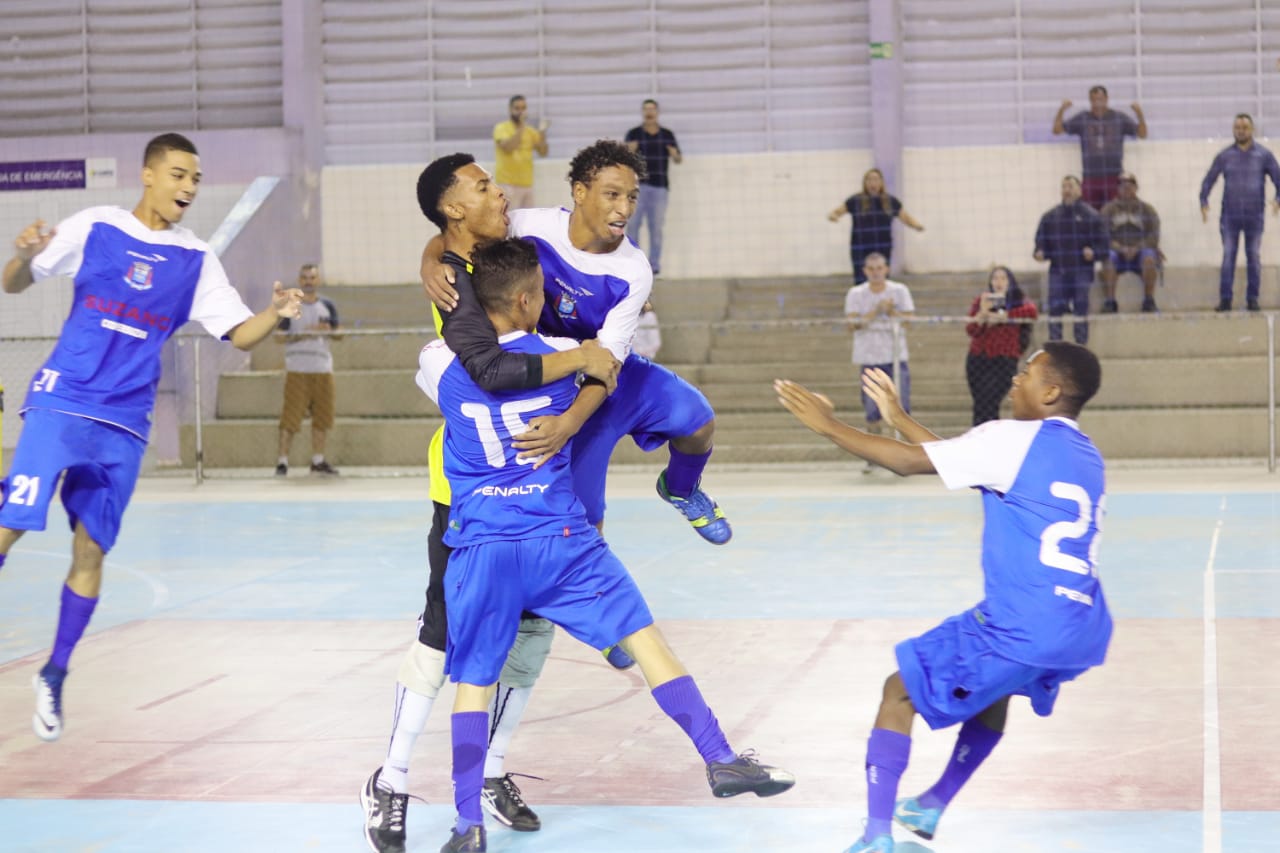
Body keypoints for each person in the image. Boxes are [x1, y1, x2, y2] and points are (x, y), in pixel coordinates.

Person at [422, 238, 794, 853]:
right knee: (648, 642)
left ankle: (468, 824)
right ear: (526, 300)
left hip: (484, 547)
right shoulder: (570, 356)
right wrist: (582, 375)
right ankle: (721, 757)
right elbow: (606, 373)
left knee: (473, 683)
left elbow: (471, 360)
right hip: (561, 541)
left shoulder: (440, 363)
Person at [0, 132, 303, 742]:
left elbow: (239, 334)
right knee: (12, 520)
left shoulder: (196, 259)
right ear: (148, 174)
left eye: (195, 178)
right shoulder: (97, 227)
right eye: (178, 174)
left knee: (91, 550)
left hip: (125, 422)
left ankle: (55, 673)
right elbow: (14, 283)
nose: (189, 186)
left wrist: (277, 313)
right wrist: (24, 254)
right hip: (64, 398)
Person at [361, 153, 622, 853]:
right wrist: (585, 355)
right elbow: (494, 370)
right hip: (471, 488)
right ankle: (390, 779)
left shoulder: (501, 252)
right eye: (481, 187)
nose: (498, 191)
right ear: (452, 212)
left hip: (539, 485)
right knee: (443, 633)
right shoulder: (453, 282)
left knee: (531, 632)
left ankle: (493, 770)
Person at [774, 340, 1110, 853]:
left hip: (1023, 624)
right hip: (1080, 625)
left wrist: (827, 425)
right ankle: (930, 805)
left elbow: (910, 464)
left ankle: (877, 836)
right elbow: (961, 461)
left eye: (1027, 373)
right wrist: (899, 416)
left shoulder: (1012, 439)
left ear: (1051, 391)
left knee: (897, 691)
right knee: (995, 688)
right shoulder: (1085, 454)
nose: (1017, 379)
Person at [422, 140, 732, 546]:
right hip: (555, 383)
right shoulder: (528, 227)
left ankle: (681, 488)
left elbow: (609, 363)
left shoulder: (634, 271)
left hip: (602, 376)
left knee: (699, 421)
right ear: (580, 192)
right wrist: (429, 261)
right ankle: (552, 600)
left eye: (632, 197)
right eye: (612, 195)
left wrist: (568, 425)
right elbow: (459, 235)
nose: (624, 208)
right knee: (584, 521)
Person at [1199, 113, 1280, 312]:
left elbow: (1279, 179)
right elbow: (1210, 178)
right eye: (1237, 127)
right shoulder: (1225, 156)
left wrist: (1277, 200)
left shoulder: (1264, 155)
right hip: (1230, 217)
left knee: (1253, 256)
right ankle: (1225, 299)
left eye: (1244, 127)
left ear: (1252, 130)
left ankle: (1252, 299)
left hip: (1255, 217)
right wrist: (1203, 199)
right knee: (1228, 256)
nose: (1240, 130)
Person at [275, 262, 341, 475]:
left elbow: (340, 333)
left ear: (318, 280)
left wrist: (328, 330)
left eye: (312, 277)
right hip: (298, 369)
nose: (309, 281)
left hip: (322, 368)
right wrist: (304, 334)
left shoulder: (328, 306)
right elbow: (278, 336)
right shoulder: (291, 306)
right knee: (290, 417)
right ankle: (283, 461)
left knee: (322, 417)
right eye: (304, 278)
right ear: (299, 280)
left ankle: (318, 460)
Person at [843, 253, 915, 443]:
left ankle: (904, 451)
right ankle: (875, 454)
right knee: (872, 409)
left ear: (886, 269)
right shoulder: (856, 293)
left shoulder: (899, 290)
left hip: (896, 357)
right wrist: (876, 310)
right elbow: (852, 324)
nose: (876, 273)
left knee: (902, 407)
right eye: (871, 269)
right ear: (865, 271)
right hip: (869, 359)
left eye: (879, 268)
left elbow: (909, 321)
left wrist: (891, 311)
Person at [1034, 176, 1108, 345]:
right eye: (1064, 186)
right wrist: (1040, 253)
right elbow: (1040, 243)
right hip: (1058, 270)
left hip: (1082, 270)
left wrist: (1094, 253)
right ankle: (1055, 345)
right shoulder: (1050, 217)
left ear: (1079, 190)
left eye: (1071, 186)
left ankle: (1081, 344)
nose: (1067, 190)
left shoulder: (1092, 216)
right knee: (1055, 306)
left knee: (1080, 304)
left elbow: (1104, 246)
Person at [1053, 85, 1147, 209]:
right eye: (1094, 100)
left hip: (1114, 175)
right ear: (1090, 101)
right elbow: (1057, 130)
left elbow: (1142, 134)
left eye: (1100, 99)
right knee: (1090, 215)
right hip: (1090, 176)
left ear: (1107, 99)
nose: (1098, 103)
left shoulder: (1118, 118)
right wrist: (1062, 110)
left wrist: (1139, 114)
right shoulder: (1083, 118)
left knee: (1113, 213)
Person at [964, 266, 1038, 425]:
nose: (999, 282)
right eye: (995, 278)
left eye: (1003, 278)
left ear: (1010, 281)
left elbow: (1031, 312)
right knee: (980, 403)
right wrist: (983, 313)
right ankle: (978, 439)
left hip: (1004, 360)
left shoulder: (1018, 301)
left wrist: (1004, 316)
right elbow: (971, 330)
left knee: (990, 401)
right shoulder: (982, 301)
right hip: (979, 358)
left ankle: (987, 438)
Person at [828, 168, 924, 285]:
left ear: (881, 182)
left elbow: (905, 217)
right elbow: (837, 211)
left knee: (881, 277)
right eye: (869, 180)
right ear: (865, 182)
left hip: (882, 245)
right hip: (860, 246)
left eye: (876, 179)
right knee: (861, 278)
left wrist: (916, 225)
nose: (873, 183)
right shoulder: (855, 200)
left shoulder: (890, 201)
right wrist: (833, 216)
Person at [624, 99, 682, 275]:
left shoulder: (667, 134)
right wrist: (629, 150)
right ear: (642, 112)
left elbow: (678, 159)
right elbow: (622, 159)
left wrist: (674, 154)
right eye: (646, 109)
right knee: (633, 225)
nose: (649, 112)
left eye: (652, 109)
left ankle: (654, 265)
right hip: (637, 188)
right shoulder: (633, 134)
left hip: (659, 188)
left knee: (656, 228)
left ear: (657, 112)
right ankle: (634, 263)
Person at [1099, 173, 1161, 313]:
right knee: (1108, 258)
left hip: (1140, 253)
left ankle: (1149, 300)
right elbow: (1102, 236)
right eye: (1123, 186)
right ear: (1118, 189)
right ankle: (1110, 302)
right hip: (1117, 253)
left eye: (1130, 186)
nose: (1126, 189)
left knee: (1150, 258)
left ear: (1136, 188)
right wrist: (1119, 248)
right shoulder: (1108, 210)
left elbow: (1154, 236)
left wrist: (1137, 248)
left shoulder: (1147, 210)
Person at [493, 95, 548, 210]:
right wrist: (522, 126)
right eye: (517, 108)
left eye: (523, 108)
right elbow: (508, 147)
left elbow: (543, 152)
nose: (520, 111)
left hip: (527, 184)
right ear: (510, 109)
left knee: (528, 222)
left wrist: (543, 132)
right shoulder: (501, 128)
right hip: (508, 183)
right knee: (510, 220)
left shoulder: (530, 131)